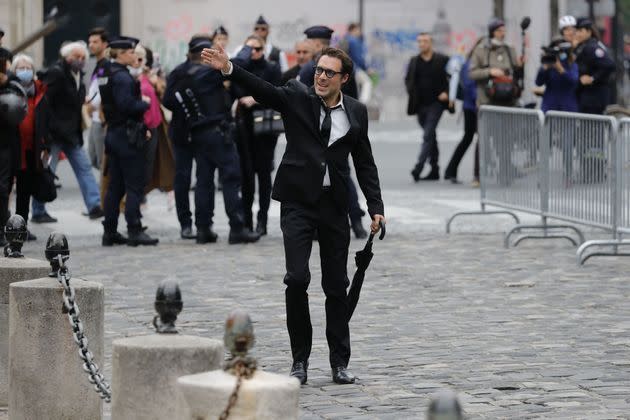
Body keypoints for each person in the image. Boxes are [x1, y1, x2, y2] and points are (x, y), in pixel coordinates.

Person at [201, 45, 385, 385]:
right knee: (297, 278)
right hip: (298, 203)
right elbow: (263, 89)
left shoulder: (356, 112)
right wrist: (229, 68)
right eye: (318, 69)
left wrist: (375, 208)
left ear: (344, 78)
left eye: (329, 72)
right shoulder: (296, 95)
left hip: (334, 206)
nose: (320, 76)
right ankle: (299, 360)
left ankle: (339, 362)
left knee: (336, 285)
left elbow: (364, 161)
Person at [163, 37, 260, 245]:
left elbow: (168, 100)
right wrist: (247, 47)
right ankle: (237, 227)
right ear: (207, 55)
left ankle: (203, 228)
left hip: (197, 134)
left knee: (204, 182)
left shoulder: (180, 74)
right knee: (231, 178)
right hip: (218, 131)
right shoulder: (206, 73)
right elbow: (239, 63)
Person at [299, 25, 367, 238]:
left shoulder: (313, 68)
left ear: (317, 43)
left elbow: (300, 99)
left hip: (318, 131)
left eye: (309, 43)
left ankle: (323, 223)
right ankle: (355, 220)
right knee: (342, 174)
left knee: (326, 175)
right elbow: (354, 97)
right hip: (343, 127)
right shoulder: (343, 63)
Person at [32, 41, 103, 224]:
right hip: (55, 134)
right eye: (76, 57)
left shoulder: (77, 75)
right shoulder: (57, 73)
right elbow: (44, 101)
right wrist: (46, 131)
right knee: (47, 172)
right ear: (66, 56)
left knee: (84, 169)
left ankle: (94, 206)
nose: (79, 60)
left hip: (72, 133)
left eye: (82, 57)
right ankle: (38, 210)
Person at [100, 36, 158, 247]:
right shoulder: (123, 77)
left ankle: (110, 231)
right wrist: (143, 103)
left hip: (115, 134)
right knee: (134, 184)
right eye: (132, 52)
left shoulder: (105, 73)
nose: (134, 55)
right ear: (122, 53)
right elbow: (126, 105)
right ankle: (134, 229)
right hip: (127, 136)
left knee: (115, 186)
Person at [162, 34, 213, 240]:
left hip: (205, 132)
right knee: (182, 178)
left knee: (205, 179)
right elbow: (168, 100)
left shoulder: (213, 71)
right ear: (191, 54)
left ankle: (204, 223)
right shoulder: (179, 73)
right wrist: (189, 107)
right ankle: (185, 223)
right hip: (183, 131)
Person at [232, 35, 282, 235]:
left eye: (258, 48)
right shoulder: (239, 68)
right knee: (246, 176)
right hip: (244, 128)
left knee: (263, 176)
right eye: (250, 48)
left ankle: (262, 221)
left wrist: (255, 99)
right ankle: (247, 221)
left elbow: (277, 94)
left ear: (264, 50)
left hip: (265, 129)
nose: (254, 52)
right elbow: (233, 90)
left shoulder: (271, 68)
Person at [11, 54, 51, 240]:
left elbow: (46, 120)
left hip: (30, 150)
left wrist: (45, 144)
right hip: (10, 148)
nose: (25, 71)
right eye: (21, 67)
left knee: (24, 191)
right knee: (4, 188)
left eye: (28, 68)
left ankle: (21, 227)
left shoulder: (40, 91)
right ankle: (6, 226)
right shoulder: (10, 90)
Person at [406, 32, 450, 182]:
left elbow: (453, 78)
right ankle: (435, 169)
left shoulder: (442, 59)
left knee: (427, 135)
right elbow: (408, 80)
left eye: (424, 41)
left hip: (436, 104)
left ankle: (418, 168)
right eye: (419, 41)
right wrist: (411, 93)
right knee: (430, 136)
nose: (421, 44)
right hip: (420, 106)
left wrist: (447, 92)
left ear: (431, 43)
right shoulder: (414, 61)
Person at [444, 44, 480, 184]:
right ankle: (451, 170)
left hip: (471, 106)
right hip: (472, 107)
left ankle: (450, 170)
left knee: (468, 138)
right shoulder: (469, 64)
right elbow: (470, 87)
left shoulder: (470, 63)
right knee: (469, 138)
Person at [133, 44, 163, 196]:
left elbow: (161, 93)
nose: (139, 61)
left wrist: (155, 83)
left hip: (153, 126)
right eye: (136, 57)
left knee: (147, 169)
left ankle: (138, 200)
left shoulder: (147, 75)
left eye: (141, 58)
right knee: (141, 170)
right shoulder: (131, 77)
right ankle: (134, 202)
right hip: (142, 127)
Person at [574, 17, 614, 115]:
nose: (578, 34)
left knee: (591, 128)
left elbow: (609, 64)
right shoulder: (583, 46)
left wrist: (592, 78)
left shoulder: (592, 47)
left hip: (594, 97)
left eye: (581, 31)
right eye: (577, 31)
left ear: (589, 32)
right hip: (588, 97)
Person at [86, 27, 109, 170]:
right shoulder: (98, 64)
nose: (91, 45)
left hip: (101, 118)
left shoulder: (107, 65)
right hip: (94, 117)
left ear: (105, 44)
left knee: (103, 162)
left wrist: (98, 106)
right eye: (90, 42)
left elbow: (106, 89)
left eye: (95, 42)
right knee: (93, 157)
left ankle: (106, 191)